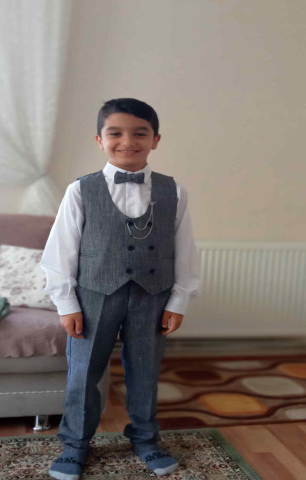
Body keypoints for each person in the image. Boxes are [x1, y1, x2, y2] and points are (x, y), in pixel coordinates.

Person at [41, 97, 200, 480]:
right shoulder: (80, 190)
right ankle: (75, 445)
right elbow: (60, 251)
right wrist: (66, 303)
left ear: (155, 140)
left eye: (140, 133)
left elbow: (186, 249)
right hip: (94, 296)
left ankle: (145, 439)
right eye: (115, 133)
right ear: (100, 139)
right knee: (83, 374)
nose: (128, 141)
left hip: (153, 295)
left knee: (145, 371)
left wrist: (179, 299)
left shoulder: (174, 191)